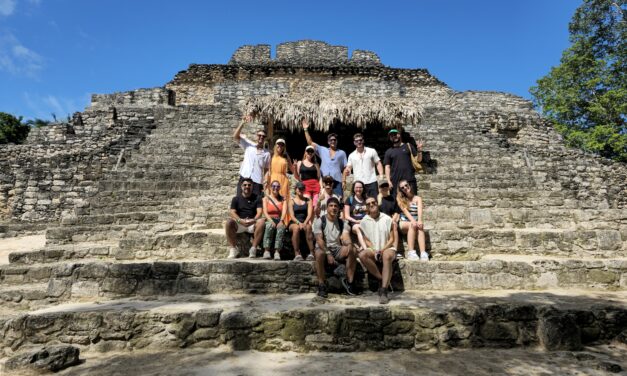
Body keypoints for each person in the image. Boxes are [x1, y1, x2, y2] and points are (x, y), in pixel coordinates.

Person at [313, 197, 357, 298]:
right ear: (327, 208)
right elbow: (319, 240)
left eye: (336, 206)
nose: (333, 208)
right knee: (319, 253)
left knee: (352, 249)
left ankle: (349, 283)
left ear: (339, 209)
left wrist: (349, 244)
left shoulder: (342, 223)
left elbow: (345, 236)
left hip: (337, 249)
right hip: (324, 248)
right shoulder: (320, 221)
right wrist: (328, 253)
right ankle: (321, 285)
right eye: (331, 206)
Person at [357, 197, 397, 304]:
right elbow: (366, 239)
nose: (371, 205)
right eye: (368, 203)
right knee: (362, 255)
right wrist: (375, 250)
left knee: (386, 256)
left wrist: (382, 250)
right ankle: (382, 278)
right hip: (373, 248)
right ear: (366, 207)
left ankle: (384, 290)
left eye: (373, 202)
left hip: (388, 247)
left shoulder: (387, 219)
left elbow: (392, 239)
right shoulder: (364, 221)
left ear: (377, 203)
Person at [302, 119, 347, 198]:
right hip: (324, 181)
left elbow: (345, 169)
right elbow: (310, 142)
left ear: (337, 141)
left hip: (337, 181)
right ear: (328, 142)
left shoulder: (342, 153)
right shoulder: (323, 150)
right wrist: (306, 129)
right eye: (331, 140)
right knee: (324, 200)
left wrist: (343, 181)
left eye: (334, 140)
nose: (333, 141)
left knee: (338, 200)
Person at [225, 178, 265, 259]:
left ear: (252, 186)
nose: (247, 187)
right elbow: (232, 212)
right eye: (245, 185)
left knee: (261, 222)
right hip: (240, 223)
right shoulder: (236, 199)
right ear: (241, 186)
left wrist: (253, 220)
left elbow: (260, 212)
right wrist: (240, 220)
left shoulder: (257, 198)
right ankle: (233, 249)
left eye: (249, 185)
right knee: (228, 222)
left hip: (252, 223)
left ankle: (253, 249)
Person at [233, 114, 271, 196]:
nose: (261, 137)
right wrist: (242, 123)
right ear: (256, 136)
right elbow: (235, 136)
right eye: (259, 135)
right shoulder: (248, 145)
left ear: (265, 138)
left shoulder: (267, 153)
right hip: (244, 177)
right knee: (240, 200)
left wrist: (266, 180)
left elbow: (267, 169)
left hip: (257, 181)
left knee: (255, 205)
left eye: (263, 136)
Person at [383, 128, 424, 199]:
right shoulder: (388, 152)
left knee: (413, 200)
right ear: (390, 138)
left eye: (395, 134)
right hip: (396, 182)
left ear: (399, 135)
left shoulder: (408, 146)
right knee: (398, 203)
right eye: (391, 135)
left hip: (409, 179)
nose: (394, 136)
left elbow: (419, 160)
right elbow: (387, 167)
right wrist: (389, 181)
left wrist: (419, 151)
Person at [343, 133, 384, 198]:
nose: (359, 142)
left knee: (374, 202)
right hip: (358, 184)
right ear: (354, 143)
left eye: (360, 140)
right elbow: (349, 168)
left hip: (372, 182)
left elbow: (378, 163)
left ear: (363, 140)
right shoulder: (351, 155)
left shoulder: (371, 151)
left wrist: (381, 176)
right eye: (357, 141)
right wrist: (347, 171)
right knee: (361, 204)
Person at [397, 179, 428, 261]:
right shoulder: (400, 199)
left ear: (409, 185)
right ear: (401, 190)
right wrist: (413, 221)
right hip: (403, 223)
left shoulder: (418, 198)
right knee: (412, 224)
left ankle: (423, 253)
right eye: (402, 187)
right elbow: (405, 212)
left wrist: (420, 221)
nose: (405, 188)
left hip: (415, 223)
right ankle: (411, 252)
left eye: (406, 185)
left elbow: (420, 211)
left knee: (420, 227)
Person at [288, 181, 315, 261]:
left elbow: (309, 214)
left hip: (305, 221)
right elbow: (292, 216)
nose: (301, 190)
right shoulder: (291, 201)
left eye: (302, 188)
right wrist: (299, 223)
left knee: (308, 227)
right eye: (299, 188)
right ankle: (297, 253)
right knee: (296, 228)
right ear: (296, 189)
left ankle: (311, 252)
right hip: (294, 222)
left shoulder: (308, 200)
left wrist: (304, 223)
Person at [262, 180, 288, 260]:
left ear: (279, 188)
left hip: (279, 219)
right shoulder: (266, 199)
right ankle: (267, 250)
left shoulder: (283, 199)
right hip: (269, 219)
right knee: (269, 226)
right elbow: (265, 212)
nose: (275, 188)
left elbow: (284, 212)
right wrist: (271, 221)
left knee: (281, 228)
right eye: (273, 186)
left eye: (277, 186)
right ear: (270, 187)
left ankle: (277, 252)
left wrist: (281, 220)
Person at [378, 181, 402, 258]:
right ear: (379, 189)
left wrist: (392, 220)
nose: (384, 188)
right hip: (379, 220)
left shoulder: (392, 198)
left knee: (394, 225)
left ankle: (394, 250)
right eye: (382, 187)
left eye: (386, 186)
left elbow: (397, 211)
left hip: (390, 220)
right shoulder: (376, 199)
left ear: (388, 187)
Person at [343, 180, 368, 251]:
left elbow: (370, 213)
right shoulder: (349, 199)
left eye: (360, 187)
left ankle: (362, 247)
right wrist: (356, 221)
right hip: (354, 222)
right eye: (357, 187)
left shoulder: (366, 200)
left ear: (363, 189)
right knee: (358, 228)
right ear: (353, 189)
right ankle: (365, 249)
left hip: (365, 221)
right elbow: (346, 216)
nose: (358, 189)